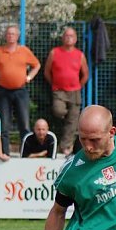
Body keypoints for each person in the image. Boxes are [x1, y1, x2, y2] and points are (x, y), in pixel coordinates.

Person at [0, 25, 41, 156]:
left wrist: (29, 77)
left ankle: (25, 153)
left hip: (20, 91)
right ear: (5, 36)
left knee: (24, 124)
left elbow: (37, 65)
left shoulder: (24, 51)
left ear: (18, 36)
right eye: (8, 34)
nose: (10, 36)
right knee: (3, 125)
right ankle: (5, 153)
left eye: (13, 34)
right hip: (3, 91)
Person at [44, 27, 88, 155]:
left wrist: (78, 86)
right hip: (59, 91)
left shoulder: (80, 55)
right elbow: (47, 71)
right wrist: (54, 84)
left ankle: (65, 146)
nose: (69, 38)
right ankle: (62, 124)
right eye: (66, 36)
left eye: (71, 36)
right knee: (58, 111)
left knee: (73, 120)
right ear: (62, 38)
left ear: (75, 39)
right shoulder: (54, 52)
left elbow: (85, 74)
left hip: (75, 92)